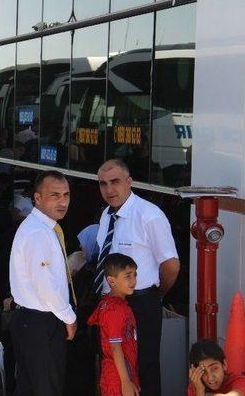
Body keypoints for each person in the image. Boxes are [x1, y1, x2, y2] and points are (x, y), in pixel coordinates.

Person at [96, 159, 180, 396]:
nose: (109, 189)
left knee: (144, 368)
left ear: (129, 182)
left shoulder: (149, 215)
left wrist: (156, 294)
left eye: (115, 182)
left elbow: (171, 265)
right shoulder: (106, 215)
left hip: (140, 303)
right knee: (114, 367)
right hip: (110, 305)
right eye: (103, 184)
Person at [8, 170, 77, 396]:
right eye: (54, 195)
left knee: (31, 387)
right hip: (41, 321)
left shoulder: (43, 228)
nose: (62, 202)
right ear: (37, 198)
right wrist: (69, 316)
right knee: (46, 387)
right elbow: (45, 286)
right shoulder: (38, 232)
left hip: (34, 321)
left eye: (66, 195)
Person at [87, 254, 140, 396]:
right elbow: (115, 347)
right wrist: (126, 382)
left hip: (120, 373)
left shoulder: (113, 304)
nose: (134, 281)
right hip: (118, 378)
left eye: (135, 275)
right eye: (128, 276)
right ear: (111, 281)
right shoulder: (115, 309)